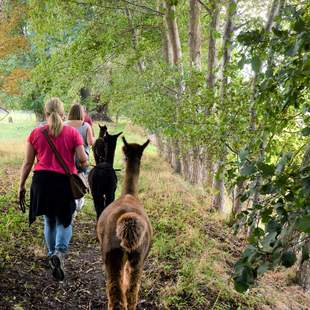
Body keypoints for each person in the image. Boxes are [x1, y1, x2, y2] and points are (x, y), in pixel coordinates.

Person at [18, 97, 88, 281]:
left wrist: (21, 186)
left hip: (42, 182)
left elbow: (27, 163)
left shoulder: (35, 133)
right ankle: (59, 252)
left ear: (45, 113)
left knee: (49, 220)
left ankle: (52, 256)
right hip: (63, 183)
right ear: (63, 114)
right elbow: (82, 159)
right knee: (65, 220)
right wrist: (81, 161)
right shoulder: (73, 133)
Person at [66, 103, 94, 212]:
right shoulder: (86, 125)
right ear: (81, 113)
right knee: (81, 176)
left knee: (69, 177)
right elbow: (90, 142)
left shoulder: (63, 124)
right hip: (82, 160)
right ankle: (80, 198)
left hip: (67, 159)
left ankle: (70, 197)